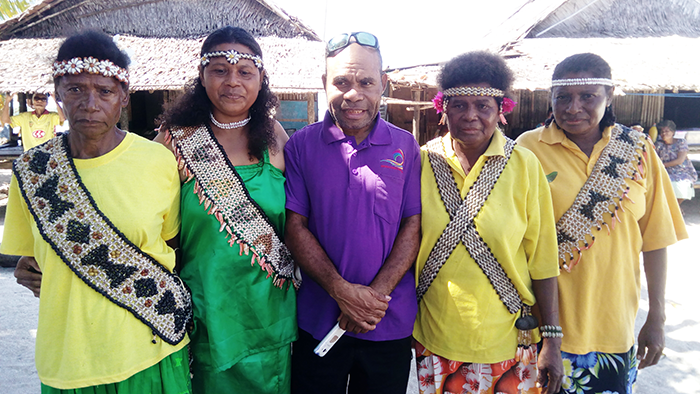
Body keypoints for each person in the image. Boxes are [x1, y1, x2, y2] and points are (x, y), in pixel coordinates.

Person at [3, 31, 192, 393]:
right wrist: (31, 272)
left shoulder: (157, 161)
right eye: (75, 89)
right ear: (58, 93)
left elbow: (173, 248)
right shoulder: (32, 171)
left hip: (150, 350)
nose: (90, 103)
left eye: (104, 91)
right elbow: (30, 263)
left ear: (123, 96)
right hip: (69, 361)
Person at [517, 53, 687, 394]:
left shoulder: (638, 151)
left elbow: (655, 241)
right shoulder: (527, 148)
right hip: (544, 329)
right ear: (550, 99)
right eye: (563, 97)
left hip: (614, 326)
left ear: (610, 96)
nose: (573, 107)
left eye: (588, 96)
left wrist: (656, 318)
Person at [156, 26, 297, 393]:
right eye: (219, 70)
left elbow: (307, 217)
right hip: (207, 312)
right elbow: (139, 212)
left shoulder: (275, 136)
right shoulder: (175, 140)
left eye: (245, 72)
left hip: (270, 312)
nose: (232, 81)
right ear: (202, 77)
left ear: (261, 79)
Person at [414, 51, 563, 394]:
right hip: (436, 336)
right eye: (459, 105)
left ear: (501, 110)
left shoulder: (525, 166)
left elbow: (542, 257)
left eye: (483, 105)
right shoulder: (421, 162)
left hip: (510, 338)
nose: (471, 116)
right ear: (443, 109)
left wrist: (552, 340)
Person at [284, 32, 421, 394]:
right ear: (324, 84)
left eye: (366, 82)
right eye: (341, 82)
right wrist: (341, 291)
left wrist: (371, 300)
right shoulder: (301, 145)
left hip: (387, 319)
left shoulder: (406, 146)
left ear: (383, 85)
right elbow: (295, 225)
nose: (353, 94)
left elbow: (412, 225)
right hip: (319, 317)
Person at [654, 119, 697, 207]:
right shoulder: (658, 144)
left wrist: (662, 165)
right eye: (662, 132)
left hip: (682, 170)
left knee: (682, 183)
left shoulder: (681, 142)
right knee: (661, 182)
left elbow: (680, 160)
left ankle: (675, 207)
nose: (664, 134)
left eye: (667, 131)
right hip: (665, 170)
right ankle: (673, 208)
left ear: (673, 132)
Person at [1, 91, 65, 150]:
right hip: (29, 154)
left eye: (43, 99)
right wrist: (7, 102)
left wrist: (55, 101)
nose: (39, 101)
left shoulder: (52, 116)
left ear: (47, 103)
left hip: (47, 152)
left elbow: (63, 118)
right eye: (36, 99)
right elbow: (5, 120)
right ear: (32, 101)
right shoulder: (24, 117)